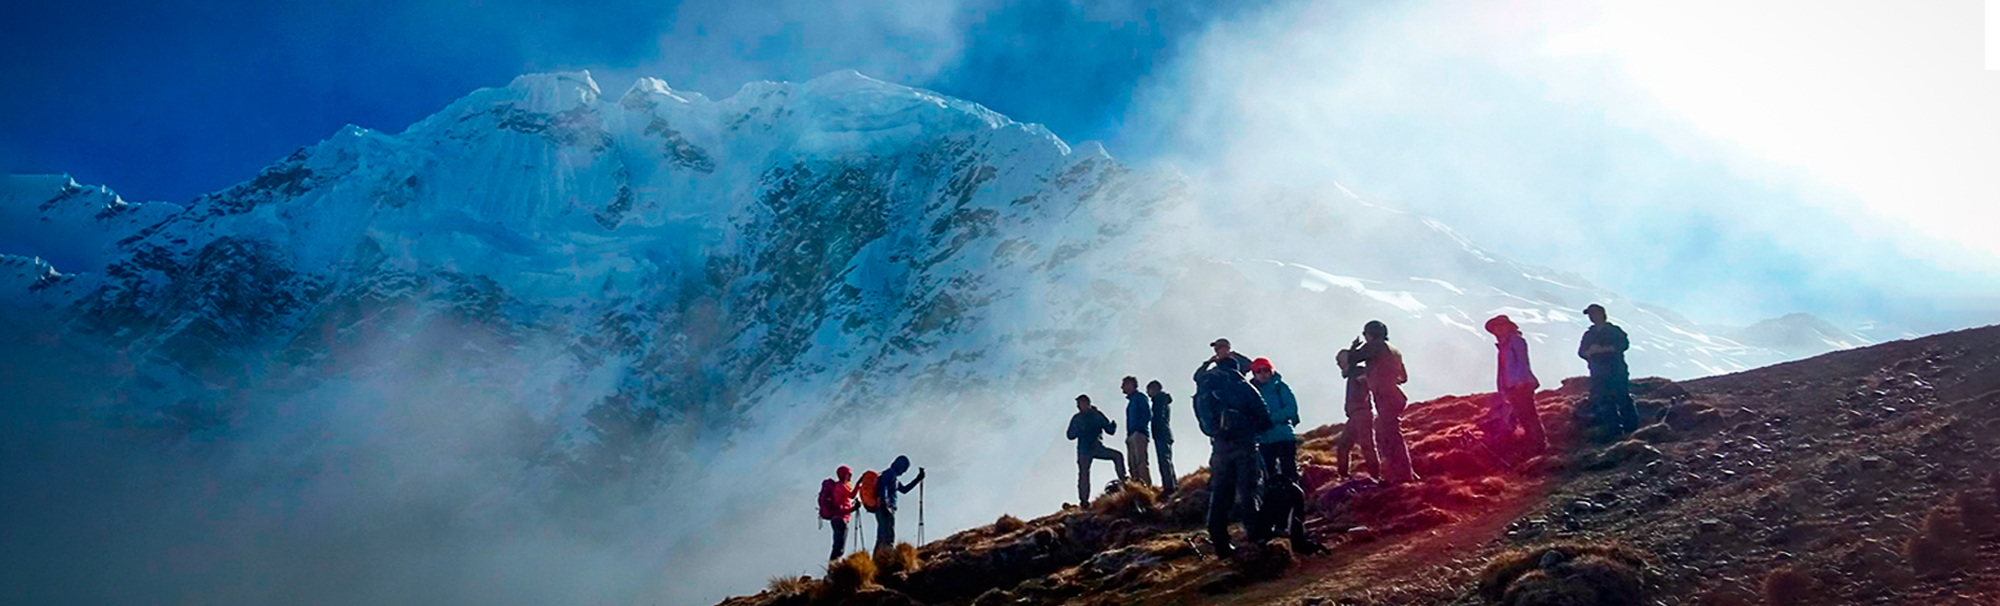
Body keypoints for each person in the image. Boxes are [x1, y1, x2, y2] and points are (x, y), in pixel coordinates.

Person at [1193, 365, 1272, 558]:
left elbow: (1203, 424)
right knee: (1249, 490)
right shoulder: (1242, 386)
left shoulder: (1205, 389)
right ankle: (1257, 537)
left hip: (1220, 447)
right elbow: (1264, 416)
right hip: (1245, 444)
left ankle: (1221, 544)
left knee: (1220, 494)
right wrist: (1252, 428)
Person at [1250, 357, 1317, 552]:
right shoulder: (1252, 391)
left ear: (1271, 371)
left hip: (1284, 437)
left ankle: (1294, 519)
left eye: (1266, 370)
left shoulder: (1281, 388)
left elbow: (1291, 409)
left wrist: (1270, 420)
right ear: (1254, 373)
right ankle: (1278, 521)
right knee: (1271, 481)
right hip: (1264, 441)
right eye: (1259, 371)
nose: (1263, 374)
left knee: (1289, 477)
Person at [1345, 320, 1416, 484]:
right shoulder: (1393, 350)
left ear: (1370, 334)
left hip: (1386, 396)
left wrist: (1354, 347)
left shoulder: (1375, 345)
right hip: (1395, 395)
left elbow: (1352, 358)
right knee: (1392, 434)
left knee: (1387, 436)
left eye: (1365, 334)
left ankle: (1400, 476)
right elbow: (1403, 378)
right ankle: (1404, 473)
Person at [1486, 315, 1547, 452]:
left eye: (1501, 326)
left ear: (1509, 326)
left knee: (1528, 414)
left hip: (1521, 384)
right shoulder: (1503, 345)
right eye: (1496, 327)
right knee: (1522, 415)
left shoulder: (1516, 341)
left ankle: (1539, 443)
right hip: (1511, 386)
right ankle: (1533, 442)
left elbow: (1523, 361)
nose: (1498, 329)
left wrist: (1521, 380)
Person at [1577, 303, 1638, 435]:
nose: (1592, 317)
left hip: (1616, 370)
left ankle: (1631, 428)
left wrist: (1604, 349)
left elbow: (1624, 345)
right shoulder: (1588, 334)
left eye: (1594, 314)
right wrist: (1589, 352)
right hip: (1598, 373)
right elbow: (1581, 352)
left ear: (1602, 315)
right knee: (1605, 400)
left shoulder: (1614, 331)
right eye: (1590, 315)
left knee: (1622, 397)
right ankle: (1613, 429)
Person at [1067, 394, 1126, 506]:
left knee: (1085, 474)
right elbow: (1070, 435)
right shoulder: (1089, 416)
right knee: (1084, 475)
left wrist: (1112, 426)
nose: (1079, 407)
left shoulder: (1091, 416)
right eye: (1078, 404)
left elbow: (1110, 430)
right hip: (1088, 450)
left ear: (1087, 403)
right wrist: (1112, 426)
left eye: (1080, 404)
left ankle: (1124, 481)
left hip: (1090, 449)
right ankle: (1084, 501)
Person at [1333, 349, 1379, 478]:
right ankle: (1345, 475)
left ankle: (1375, 475)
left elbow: (1367, 384)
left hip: (1361, 413)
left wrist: (1363, 398)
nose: (1338, 365)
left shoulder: (1357, 371)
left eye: (1339, 362)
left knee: (1365, 444)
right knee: (1345, 446)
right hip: (1356, 414)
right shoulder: (1354, 372)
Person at [872, 455, 926, 551]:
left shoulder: (892, 476)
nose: (904, 472)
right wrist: (886, 503)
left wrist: (918, 479)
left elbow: (904, 489)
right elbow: (883, 487)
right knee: (888, 535)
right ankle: (887, 556)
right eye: (904, 468)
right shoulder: (890, 473)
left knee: (881, 535)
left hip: (882, 507)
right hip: (886, 507)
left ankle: (878, 558)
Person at [818, 466, 861, 561]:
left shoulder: (838, 486)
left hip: (837, 519)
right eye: (849, 474)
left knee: (838, 545)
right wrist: (859, 483)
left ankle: (833, 567)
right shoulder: (841, 486)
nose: (850, 477)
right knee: (839, 546)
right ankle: (833, 567)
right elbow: (852, 495)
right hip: (840, 519)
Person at [1146, 380, 1178, 495]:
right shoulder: (1162, 400)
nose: (1148, 393)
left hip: (1161, 433)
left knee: (1164, 460)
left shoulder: (1159, 400)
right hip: (1164, 433)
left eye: (1149, 390)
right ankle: (1172, 485)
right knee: (1166, 460)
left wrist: (1157, 428)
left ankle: (1169, 488)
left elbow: (1159, 418)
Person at [1121, 377, 1153, 487]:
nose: (1122, 387)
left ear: (1131, 384)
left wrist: (1139, 429)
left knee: (1141, 463)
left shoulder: (1140, 398)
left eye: (1124, 384)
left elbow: (1147, 414)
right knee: (1132, 464)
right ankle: (1138, 489)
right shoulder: (1132, 401)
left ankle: (1147, 488)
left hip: (1138, 433)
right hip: (1132, 434)